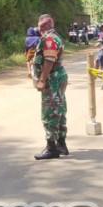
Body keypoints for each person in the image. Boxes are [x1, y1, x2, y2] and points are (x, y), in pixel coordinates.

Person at [30, 13, 68, 160]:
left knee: (50, 111)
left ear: (42, 27)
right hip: (57, 77)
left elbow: (49, 59)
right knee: (59, 109)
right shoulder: (54, 36)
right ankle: (61, 144)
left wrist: (42, 79)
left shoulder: (50, 39)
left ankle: (51, 147)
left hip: (52, 79)